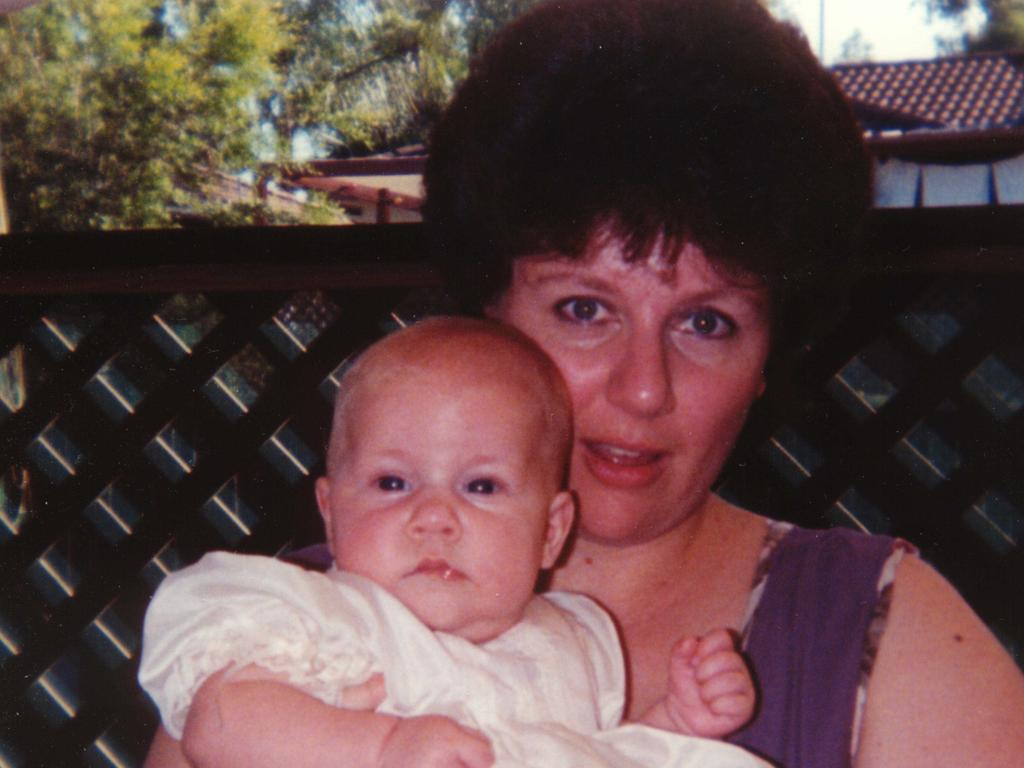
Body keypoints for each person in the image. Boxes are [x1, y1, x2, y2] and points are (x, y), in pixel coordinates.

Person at [145, 1, 1024, 766]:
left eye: (706, 322)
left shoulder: (876, 634)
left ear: (767, 362)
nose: (645, 389)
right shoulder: (296, 639)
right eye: (583, 310)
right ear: (485, 309)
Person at [139, 317, 765, 768]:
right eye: (392, 482)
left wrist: (671, 725)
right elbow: (219, 724)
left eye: (482, 486)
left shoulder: (575, 642)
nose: (433, 517)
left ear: (550, 532)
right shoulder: (323, 619)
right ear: (330, 513)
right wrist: (380, 749)